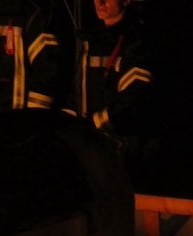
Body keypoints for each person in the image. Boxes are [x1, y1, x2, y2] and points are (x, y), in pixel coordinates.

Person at [67, 0, 156, 168]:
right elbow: (75, 94)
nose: (99, 2)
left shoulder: (136, 41)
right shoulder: (89, 41)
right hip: (90, 147)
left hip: (123, 150)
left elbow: (133, 102)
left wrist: (93, 124)